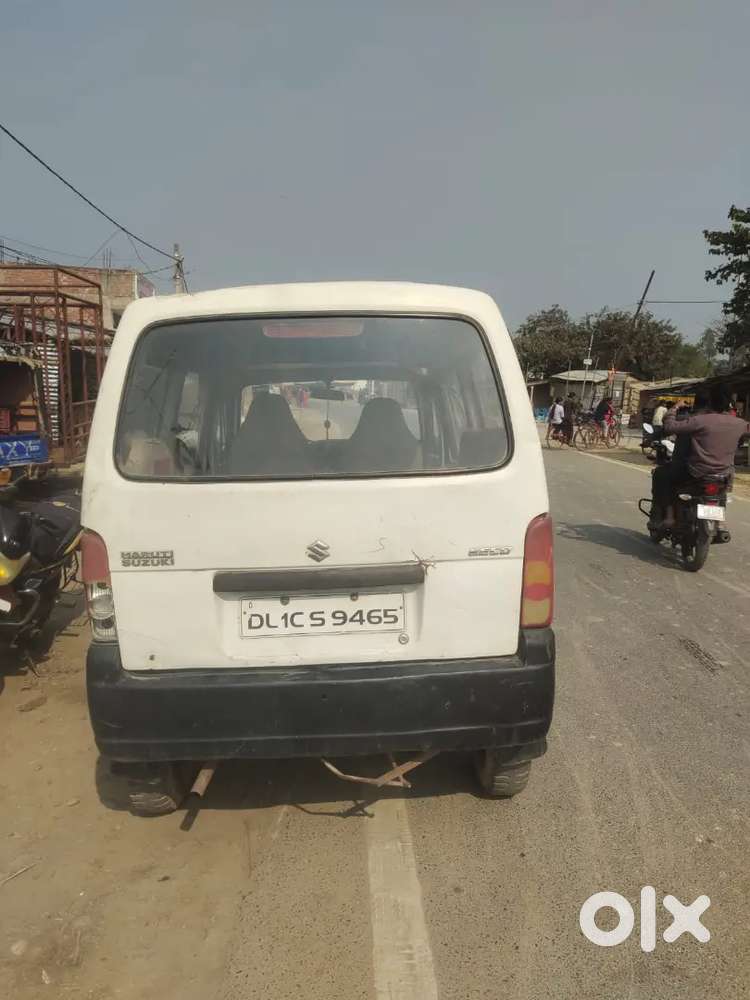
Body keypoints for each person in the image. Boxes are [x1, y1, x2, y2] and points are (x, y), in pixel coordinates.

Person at [650, 386, 750, 527]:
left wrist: (674, 408)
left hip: (696, 472)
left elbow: (669, 427)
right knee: (723, 490)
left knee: (662, 474)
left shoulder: (698, 420)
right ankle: (720, 522)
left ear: (710, 404)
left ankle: (669, 516)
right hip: (724, 475)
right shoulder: (739, 424)